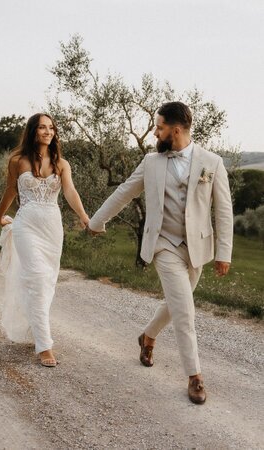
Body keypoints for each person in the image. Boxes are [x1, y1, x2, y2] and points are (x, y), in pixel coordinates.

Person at [88, 101, 233, 404]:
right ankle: (194, 376)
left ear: (176, 130)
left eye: (159, 127)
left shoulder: (212, 162)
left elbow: (224, 211)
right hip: (164, 245)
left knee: (176, 304)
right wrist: (97, 220)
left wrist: (224, 252)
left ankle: (148, 336)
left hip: (196, 248)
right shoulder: (151, 163)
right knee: (184, 311)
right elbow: (124, 191)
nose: (155, 131)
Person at [0, 113, 89, 367]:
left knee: (46, 282)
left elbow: (69, 191)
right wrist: (0, 215)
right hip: (26, 225)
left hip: (52, 228)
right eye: (41, 127)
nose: (47, 131)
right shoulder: (17, 160)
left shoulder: (62, 164)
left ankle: (34, 325)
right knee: (37, 277)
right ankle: (44, 345)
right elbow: (11, 189)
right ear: (32, 131)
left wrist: (83, 217)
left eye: (51, 128)